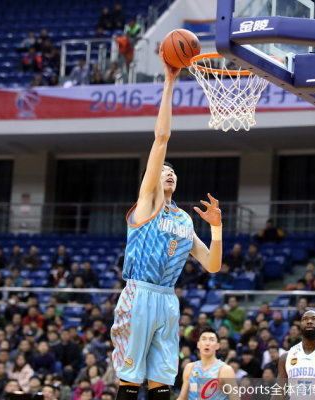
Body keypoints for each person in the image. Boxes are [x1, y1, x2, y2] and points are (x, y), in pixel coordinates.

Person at [110, 49, 223, 400]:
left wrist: (217, 228)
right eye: (163, 170)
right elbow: (161, 139)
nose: (169, 172)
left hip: (167, 299)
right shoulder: (147, 203)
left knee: (162, 380)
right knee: (130, 378)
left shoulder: (184, 218)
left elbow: (212, 265)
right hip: (139, 294)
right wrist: (169, 82)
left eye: (173, 171)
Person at [177, 328, 236, 400]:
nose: (207, 343)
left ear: (217, 346)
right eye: (204, 339)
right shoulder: (190, 367)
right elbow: (182, 398)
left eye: (211, 340)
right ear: (198, 344)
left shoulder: (226, 370)